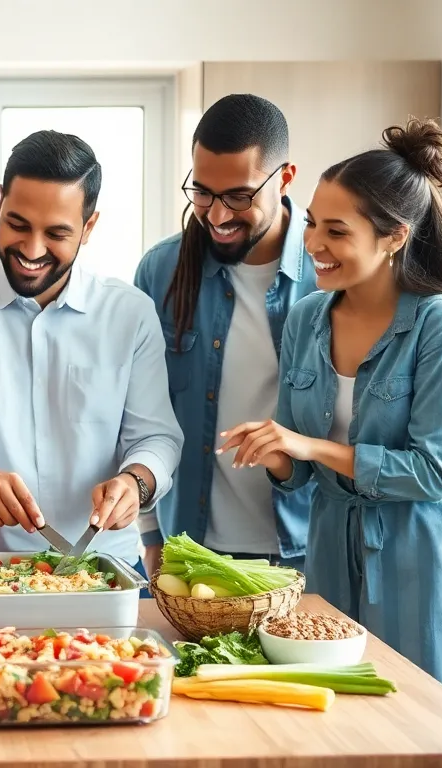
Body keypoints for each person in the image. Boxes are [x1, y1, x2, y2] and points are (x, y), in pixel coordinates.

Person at [217, 118, 442, 703]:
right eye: (313, 223)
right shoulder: (306, 317)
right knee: (337, 711)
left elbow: (432, 473)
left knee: (424, 717)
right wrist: (276, 455)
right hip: (331, 541)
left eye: (336, 231)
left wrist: (307, 446)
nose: (312, 243)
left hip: (422, 548)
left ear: (394, 237)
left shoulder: (440, 322)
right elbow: (301, 477)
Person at [0, 130, 183, 578]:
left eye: (56, 233)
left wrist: (135, 481)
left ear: (89, 227)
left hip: (108, 565)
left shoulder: (130, 313)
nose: (32, 250)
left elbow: (156, 437)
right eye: (17, 224)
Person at [133, 94, 316, 577]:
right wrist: (149, 534)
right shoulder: (161, 270)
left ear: (286, 178)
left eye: (239, 196)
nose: (216, 215)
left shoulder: (329, 273)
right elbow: (139, 410)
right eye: (202, 192)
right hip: (189, 549)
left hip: (308, 549)